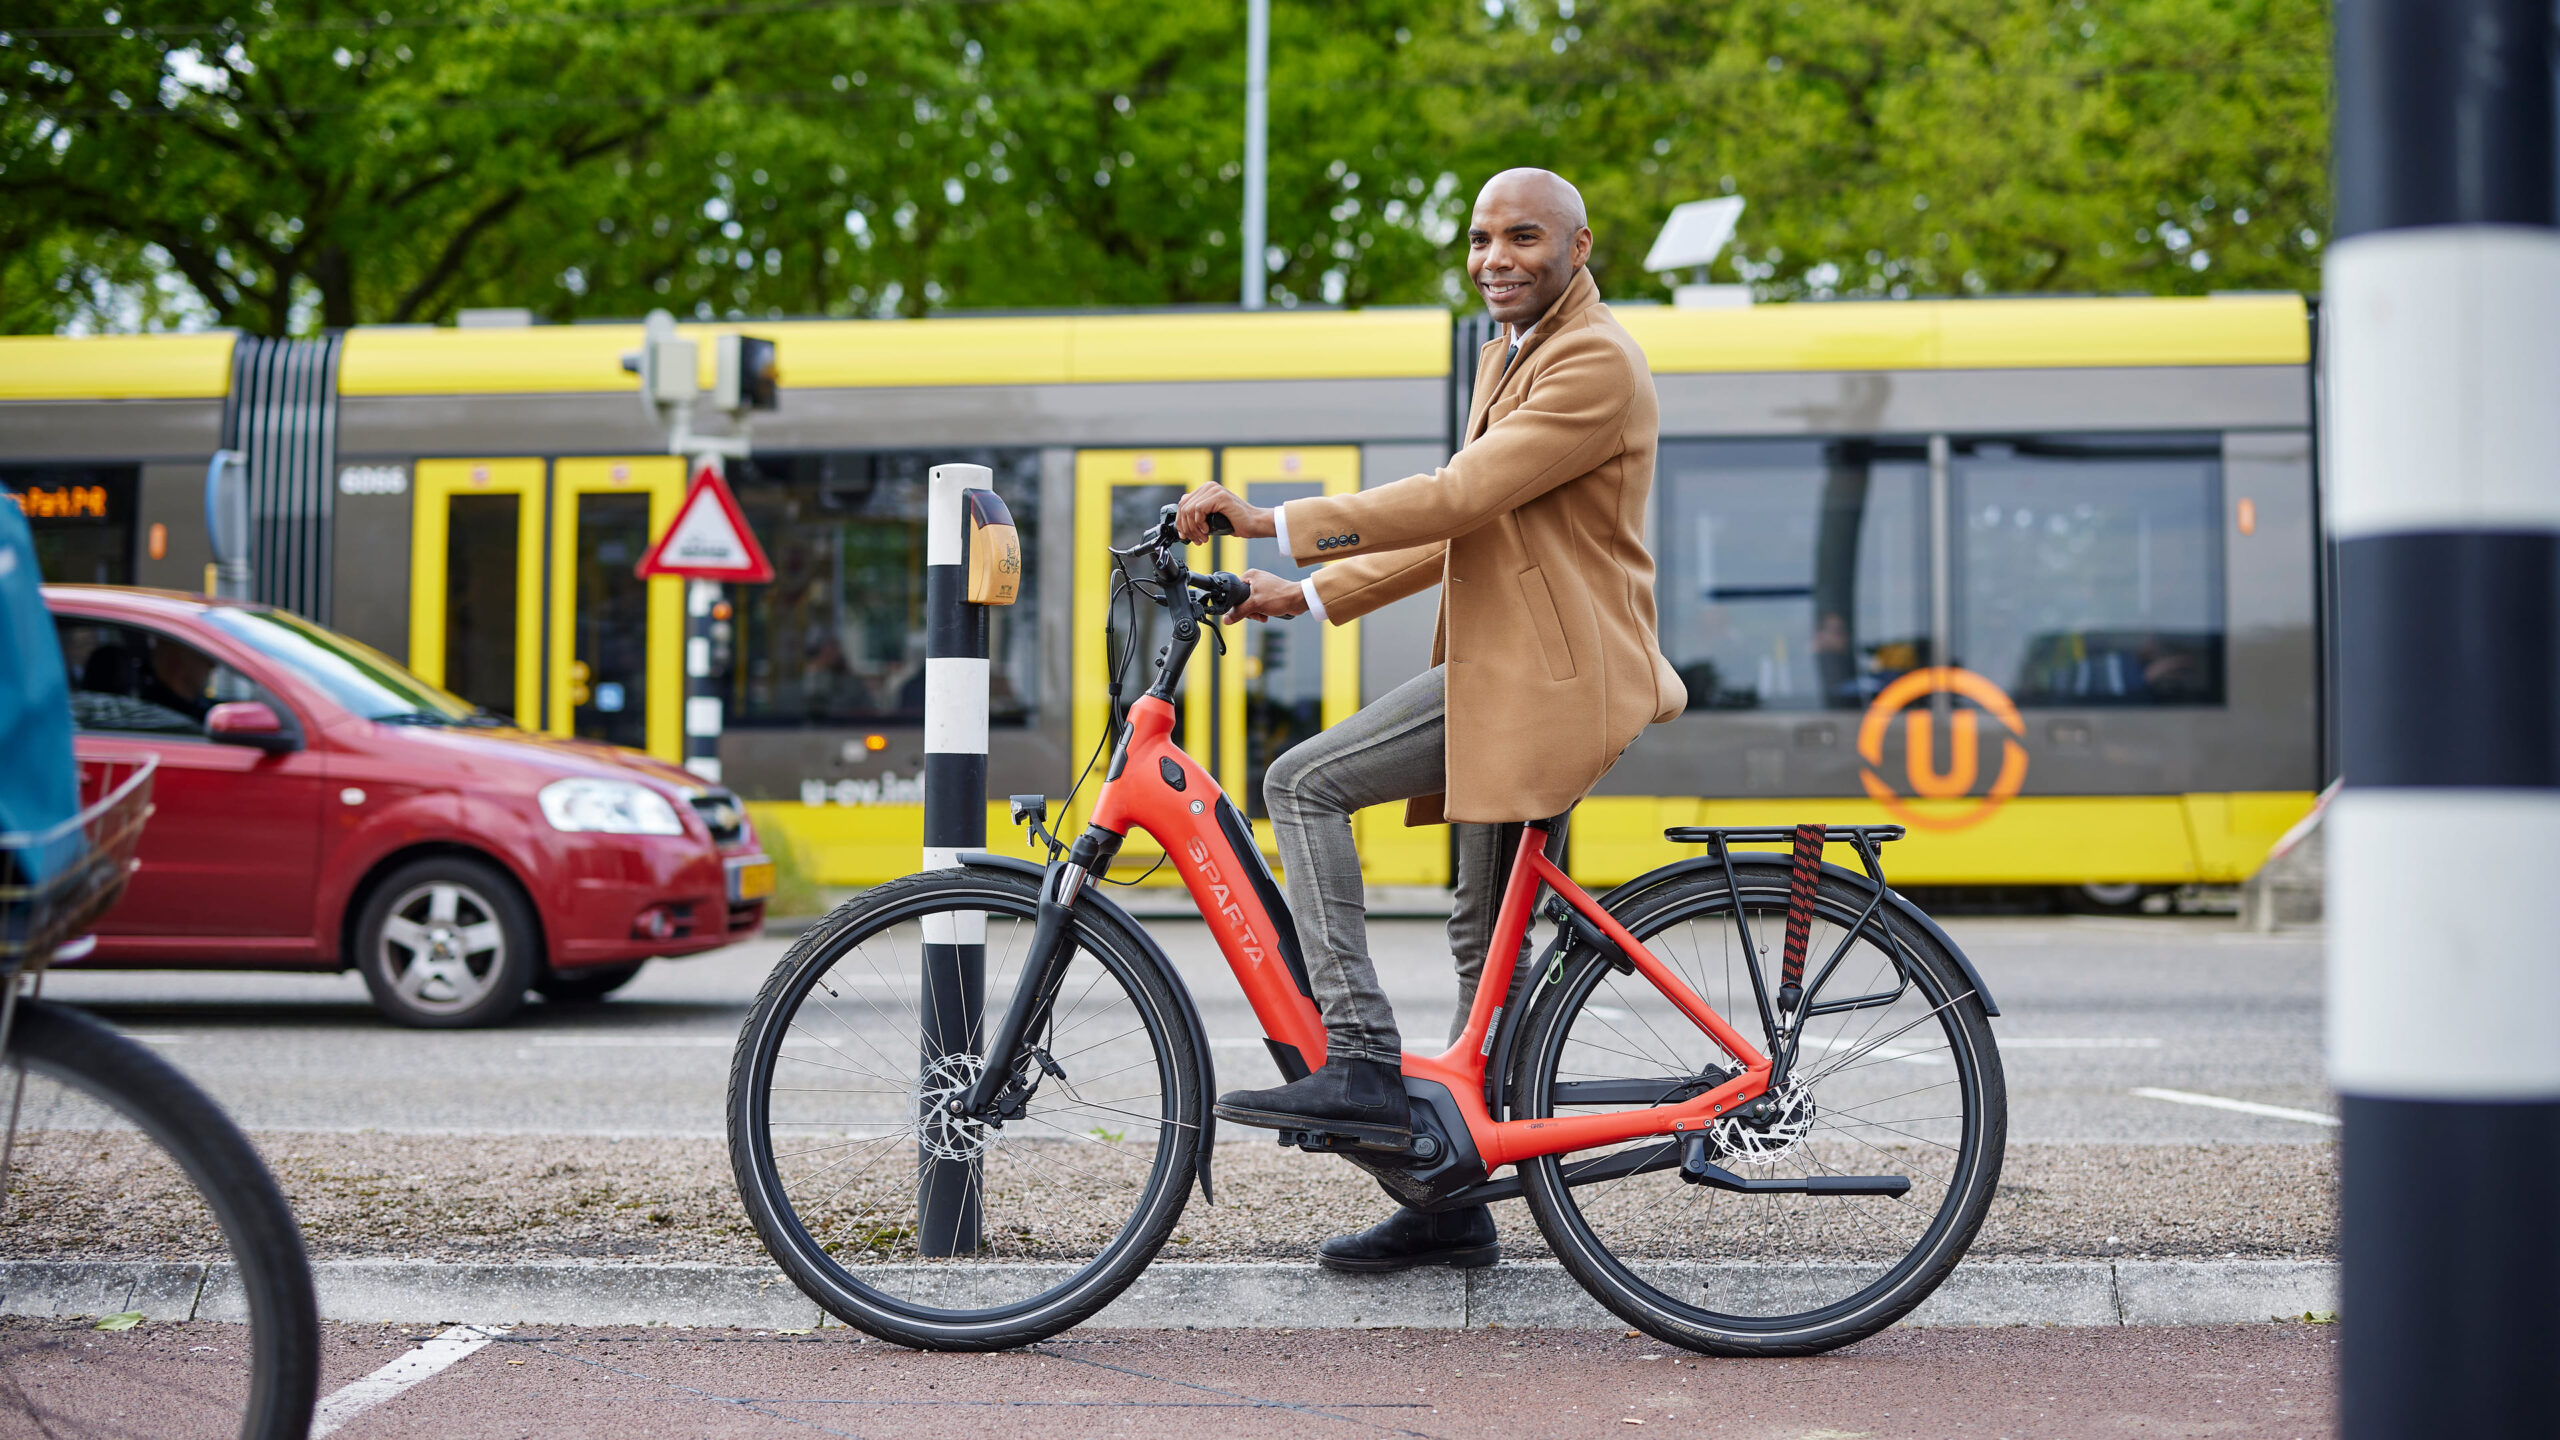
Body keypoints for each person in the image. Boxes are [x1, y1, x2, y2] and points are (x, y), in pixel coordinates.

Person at [1174, 168, 1686, 1274]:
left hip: (1545, 680)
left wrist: (1274, 519)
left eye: (1523, 237)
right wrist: (1299, 592)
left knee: (1301, 783)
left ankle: (1357, 1055)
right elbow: (1469, 522)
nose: (1495, 256)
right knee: (1478, 942)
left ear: (1579, 246)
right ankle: (1449, 1202)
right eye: (1480, 238)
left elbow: (1455, 497)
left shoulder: (1591, 360)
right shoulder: (1515, 352)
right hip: (1520, 672)